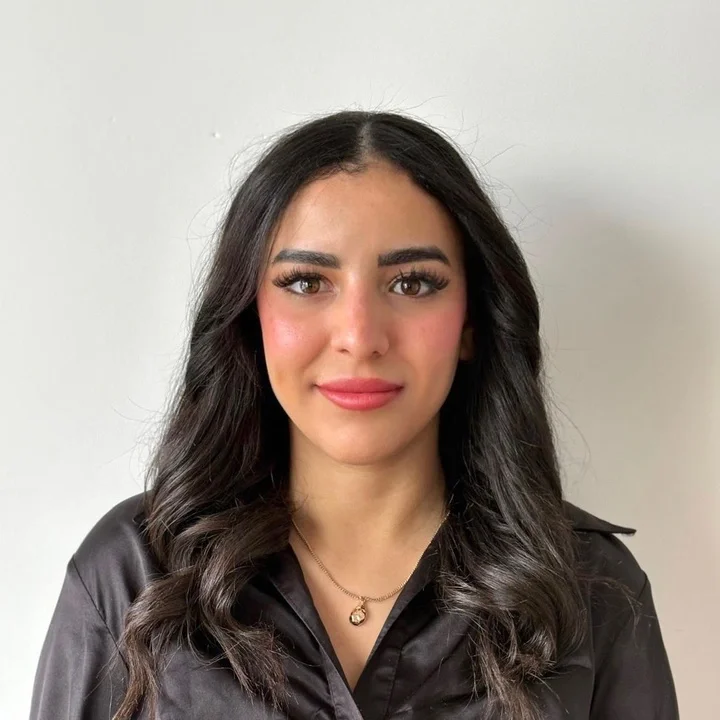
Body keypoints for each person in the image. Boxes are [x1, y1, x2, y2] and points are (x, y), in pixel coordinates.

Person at [29, 110, 679, 720]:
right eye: (307, 283)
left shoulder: (591, 590)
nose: (360, 336)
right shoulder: (132, 578)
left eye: (412, 283)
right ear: (251, 319)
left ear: (472, 322)